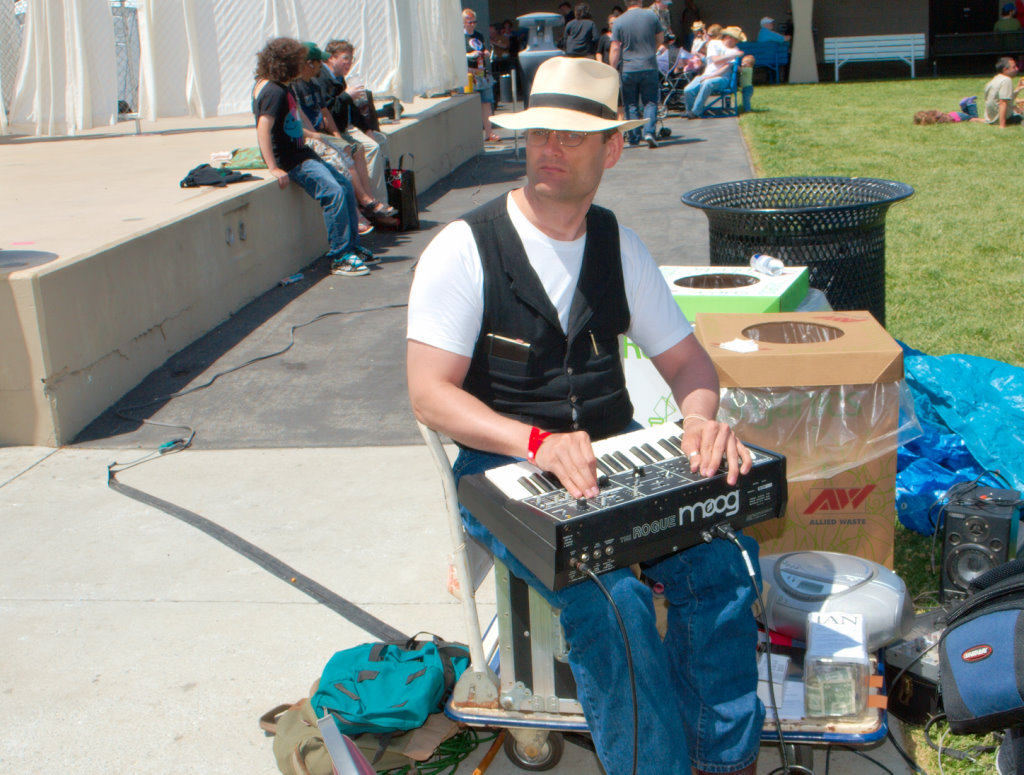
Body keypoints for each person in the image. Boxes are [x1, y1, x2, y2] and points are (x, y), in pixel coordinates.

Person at [406, 56, 762, 775]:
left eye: (572, 136)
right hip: (502, 465)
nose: (551, 148)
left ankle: (721, 760)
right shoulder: (464, 248)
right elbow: (429, 394)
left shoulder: (617, 245)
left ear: (613, 148)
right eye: (541, 132)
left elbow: (691, 367)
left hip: (614, 452)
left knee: (723, 563)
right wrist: (534, 440)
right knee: (612, 599)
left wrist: (699, 419)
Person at [252, 37, 373, 277]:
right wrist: (273, 167)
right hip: (291, 159)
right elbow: (263, 128)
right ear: (288, 64)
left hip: (302, 151)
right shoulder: (273, 91)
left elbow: (292, 122)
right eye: (300, 62)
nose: (305, 66)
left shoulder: (283, 87)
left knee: (345, 185)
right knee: (333, 192)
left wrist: (314, 135)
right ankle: (340, 256)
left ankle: (352, 247)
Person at [292, 42, 396, 232]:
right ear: (309, 64)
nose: (321, 67)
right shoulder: (300, 86)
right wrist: (322, 135)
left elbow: (326, 113)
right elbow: (305, 119)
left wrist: (338, 135)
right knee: (344, 158)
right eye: (319, 62)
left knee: (358, 148)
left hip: (328, 132)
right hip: (309, 139)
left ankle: (370, 201)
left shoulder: (314, 83)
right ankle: (362, 207)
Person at [315, 40, 391, 206]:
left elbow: (353, 110)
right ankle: (377, 201)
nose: (349, 63)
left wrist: (367, 128)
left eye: (351, 59)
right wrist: (346, 96)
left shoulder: (339, 78)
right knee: (370, 148)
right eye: (345, 58)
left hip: (348, 126)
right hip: (337, 129)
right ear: (331, 58)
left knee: (381, 139)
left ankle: (382, 192)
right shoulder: (322, 79)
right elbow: (329, 113)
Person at [609, 0, 663, 147]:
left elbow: (615, 47)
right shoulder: (651, 16)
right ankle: (649, 132)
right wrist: (652, 50)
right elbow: (660, 38)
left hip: (628, 68)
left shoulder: (619, 21)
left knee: (630, 103)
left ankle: (634, 137)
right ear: (640, 1)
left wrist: (612, 68)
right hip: (649, 65)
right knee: (650, 101)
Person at [683, 25, 743, 118]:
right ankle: (689, 111)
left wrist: (710, 76)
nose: (737, 42)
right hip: (707, 74)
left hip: (722, 77)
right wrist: (732, 55)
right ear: (729, 37)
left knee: (707, 83)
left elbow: (726, 68)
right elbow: (715, 60)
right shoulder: (714, 43)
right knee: (688, 89)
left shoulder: (735, 50)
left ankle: (695, 112)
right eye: (736, 39)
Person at [464, 8, 500, 142]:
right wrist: (469, 55)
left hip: (481, 71)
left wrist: (485, 53)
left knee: (486, 103)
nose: (472, 25)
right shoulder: (460, 37)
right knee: (470, 105)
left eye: (474, 22)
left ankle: (489, 133)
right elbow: (456, 56)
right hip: (469, 73)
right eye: (469, 22)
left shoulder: (479, 35)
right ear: (463, 23)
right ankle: (472, 135)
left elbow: (484, 48)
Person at [983, 56, 1024, 127]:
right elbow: (1003, 103)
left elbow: (1007, 99)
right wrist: (1002, 125)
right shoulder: (1006, 80)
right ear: (1005, 69)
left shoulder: (994, 80)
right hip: (1004, 119)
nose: (1017, 69)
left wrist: (1018, 88)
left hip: (992, 119)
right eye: (1014, 67)